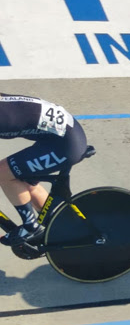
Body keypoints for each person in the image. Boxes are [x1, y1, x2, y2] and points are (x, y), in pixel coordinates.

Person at [0, 94, 88, 246]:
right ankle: (60, 229)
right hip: (62, 138)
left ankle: (31, 227)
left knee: (3, 173)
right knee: (23, 181)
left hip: (65, 145)